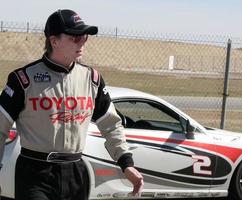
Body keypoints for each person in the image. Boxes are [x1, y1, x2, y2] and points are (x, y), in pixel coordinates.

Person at [0, 9, 143, 200]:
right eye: (75, 37)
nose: (82, 42)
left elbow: (111, 125)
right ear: (54, 41)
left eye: (84, 36)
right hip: (34, 172)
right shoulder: (23, 79)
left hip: (76, 172)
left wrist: (127, 163)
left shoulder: (92, 79)